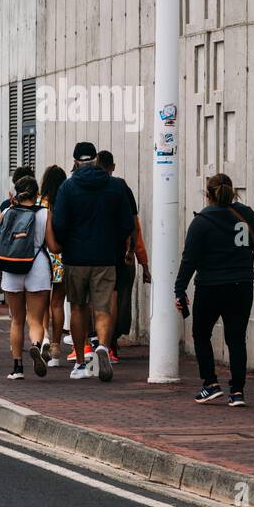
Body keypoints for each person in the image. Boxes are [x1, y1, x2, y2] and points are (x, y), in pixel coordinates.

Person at [175, 173, 254, 406]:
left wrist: (180, 289)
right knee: (236, 338)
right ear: (232, 190)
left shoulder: (202, 221)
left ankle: (210, 384)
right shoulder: (247, 216)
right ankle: (237, 392)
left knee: (201, 334)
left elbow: (190, 260)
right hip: (241, 285)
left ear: (207, 194)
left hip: (210, 287)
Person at [51, 141, 134, 382]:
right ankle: (103, 348)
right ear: (96, 159)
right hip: (107, 258)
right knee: (103, 308)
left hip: (76, 258)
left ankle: (79, 362)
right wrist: (115, 243)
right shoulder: (115, 186)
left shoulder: (67, 187)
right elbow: (127, 224)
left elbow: (59, 225)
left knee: (77, 307)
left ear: (76, 161)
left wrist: (68, 243)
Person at [0, 176, 59, 379]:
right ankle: (36, 345)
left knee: (16, 320)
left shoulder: (7, 212)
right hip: (37, 266)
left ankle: (17, 368)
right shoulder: (44, 213)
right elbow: (52, 246)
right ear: (37, 193)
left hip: (12, 266)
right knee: (36, 319)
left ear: (16, 193)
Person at [94, 150, 151, 362]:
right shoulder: (121, 188)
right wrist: (142, 261)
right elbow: (134, 227)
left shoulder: (91, 189)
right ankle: (111, 344)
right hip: (123, 254)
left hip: (98, 255)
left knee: (101, 300)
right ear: (113, 166)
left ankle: (102, 342)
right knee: (121, 300)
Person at [38, 164, 68, 368]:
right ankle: (56, 347)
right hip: (62, 256)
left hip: (41, 258)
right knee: (57, 302)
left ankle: (45, 340)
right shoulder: (66, 202)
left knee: (40, 302)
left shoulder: (39, 203)